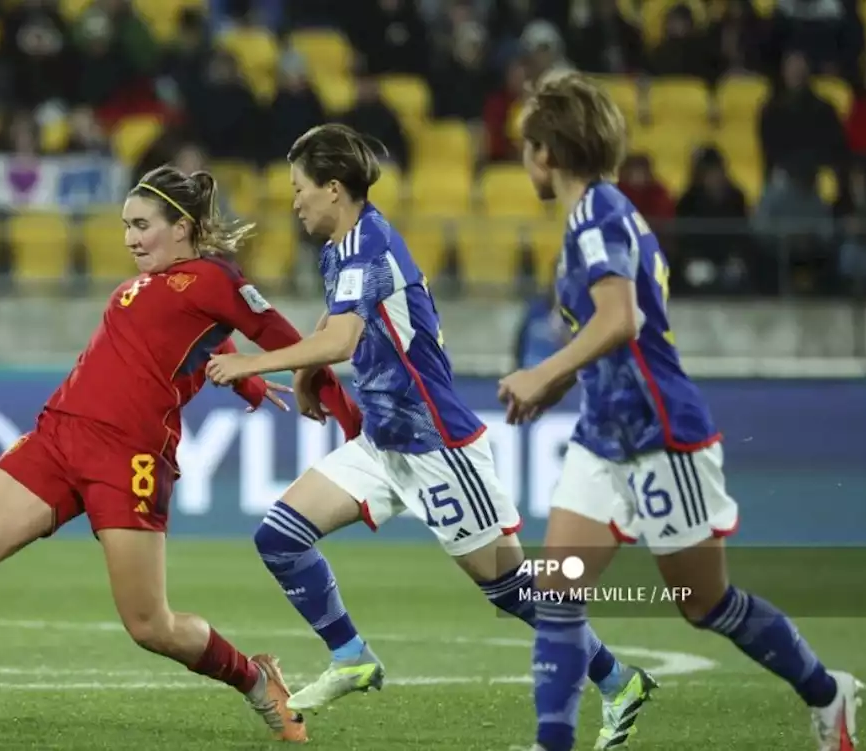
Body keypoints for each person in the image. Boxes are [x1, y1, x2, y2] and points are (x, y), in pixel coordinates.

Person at [0, 166, 369, 744]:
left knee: (149, 626)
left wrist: (335, 409)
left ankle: (255, 679)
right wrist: (243, 381)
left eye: (142, 226)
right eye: (126, 227)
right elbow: (186, 339)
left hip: (129, 460)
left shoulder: (216, 278)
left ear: (181, 226)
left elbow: (293, 342)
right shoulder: (148, 284)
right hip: (57, 437)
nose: (131, 239)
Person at [205, 123, 653, 750]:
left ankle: (617, 680)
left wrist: (251, 364)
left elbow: (342, 339)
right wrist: (308, 372)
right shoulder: (340, 247)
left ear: (334, 189)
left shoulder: (371, 244)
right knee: (280, 536)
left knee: (512, 590)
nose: (295, 201)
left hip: (439, 447)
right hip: (385, 443)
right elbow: (336, 323)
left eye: (300, 188)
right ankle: (352, 656)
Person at [496, 72, 861, 751]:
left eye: (526, 148)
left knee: (705, 603)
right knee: (557, 592)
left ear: (546, 151)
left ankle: (828, 691)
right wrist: (558, 387)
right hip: (604, 435)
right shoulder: (596, 216)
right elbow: (611, 335)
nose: (525, 161)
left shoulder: (598, 216)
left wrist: (542, 370)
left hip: (661, 435)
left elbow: (622, 317)